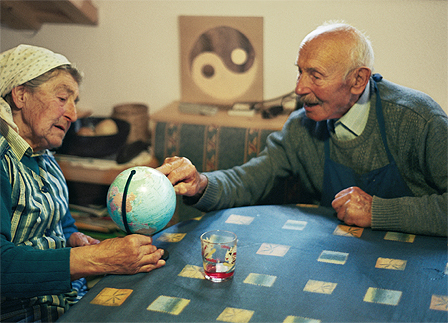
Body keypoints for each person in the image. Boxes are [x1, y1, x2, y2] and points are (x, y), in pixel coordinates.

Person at [157, 22, 447, 237]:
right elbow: (248, 180)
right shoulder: (301, 127)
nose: (299, 88)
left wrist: (378, 212)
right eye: (300, 71)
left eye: (315, 75)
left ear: (358, 80)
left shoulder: (417, 119)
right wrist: (201, 184)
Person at [0, 45, 166, 322]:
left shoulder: (46, 158)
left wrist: (73, 239)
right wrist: (98, 258)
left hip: (68, 301)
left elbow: (63, 225)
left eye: (75, 101)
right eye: (63, 97)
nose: (73, 115)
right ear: (21, 95)